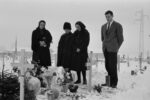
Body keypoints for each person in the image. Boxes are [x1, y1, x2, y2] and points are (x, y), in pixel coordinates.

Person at [101, 10, 124, 88]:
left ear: (112, 16)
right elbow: (102, 38)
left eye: (109, 16)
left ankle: (114, 83)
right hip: (105, 49)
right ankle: (108, 82)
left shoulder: (118, 25)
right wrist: (104, 46)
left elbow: (121, 39)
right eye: (106, 17)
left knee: (112, 66)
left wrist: (116, 47)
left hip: (113, 49)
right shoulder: (103, 26)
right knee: (107, 66)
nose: (107, 18)